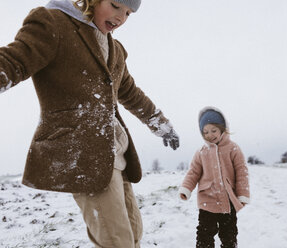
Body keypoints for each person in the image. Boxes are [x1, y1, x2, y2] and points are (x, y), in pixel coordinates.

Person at [0, 0, 179, 247]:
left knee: (133, 233)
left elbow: (130, 92)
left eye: (128, 13)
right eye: (116, 5)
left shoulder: (114, 48)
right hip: (83, 154)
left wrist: (160, 123)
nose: (121, 17)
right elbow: (13, 61)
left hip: (117, 152)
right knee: (116, 241)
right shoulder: (53, 23)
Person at [178, 107, 249, 248]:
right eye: (205, 132)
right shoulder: (201, 152)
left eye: (213, 130)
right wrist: (186, 189)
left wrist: (242, 195)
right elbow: (193, 172)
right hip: (207, 200)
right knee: (204, 233)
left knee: (229, 234)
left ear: (223, 129)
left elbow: (241, 172)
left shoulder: (233, 148)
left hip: (228, 201)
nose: (209, 135)